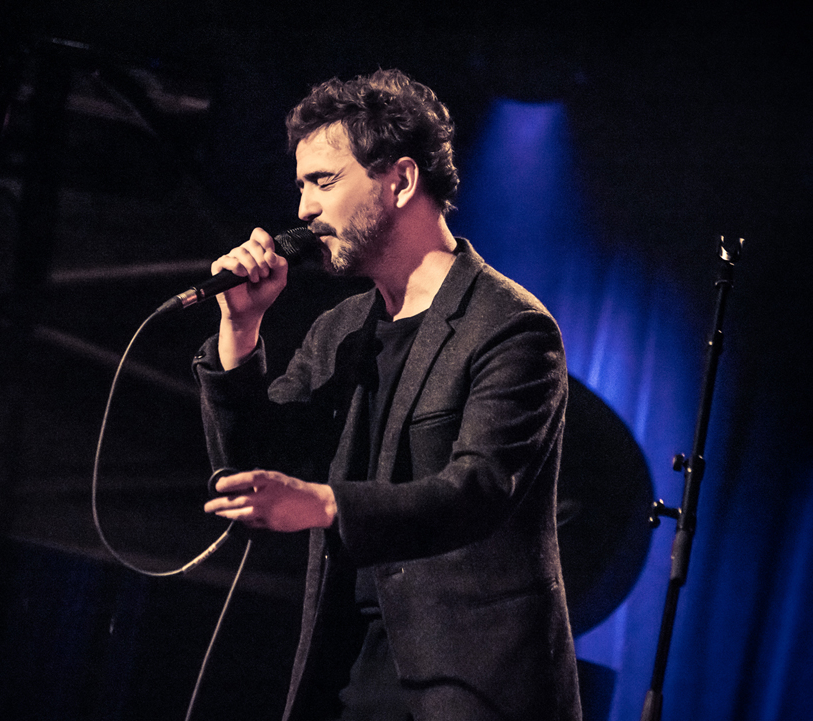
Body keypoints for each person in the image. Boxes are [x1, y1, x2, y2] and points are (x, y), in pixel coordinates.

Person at [194, 69, 581, 721]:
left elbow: (478, 488)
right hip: (349, 670)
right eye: (301, 185)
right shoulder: (341, 330)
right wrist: (241, 327)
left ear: (399, 180)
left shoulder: (511, 326)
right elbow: (253, 468)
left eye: (323, 182)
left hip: (469, 685)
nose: (303, 209)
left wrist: (325, 503)